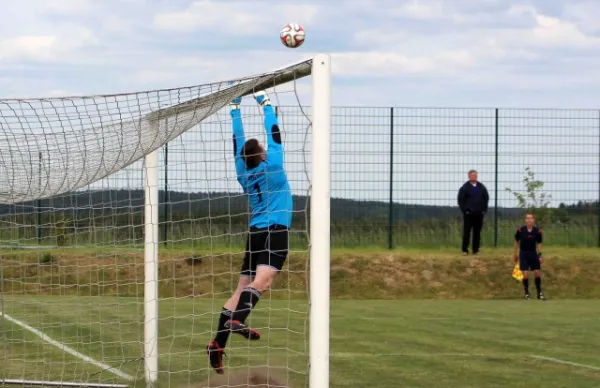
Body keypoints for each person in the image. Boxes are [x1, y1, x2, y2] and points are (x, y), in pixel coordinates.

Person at [206, 89, 293, 374]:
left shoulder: (241, 172)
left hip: (255, 233)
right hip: (275, 230)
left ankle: (218, 344)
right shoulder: (275, 166)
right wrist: (265, 104)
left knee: (242, 288)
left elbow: (237, 141)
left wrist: (235, 109)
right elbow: (275, 131)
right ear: (263, 154)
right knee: (263, 281)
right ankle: (238, 320)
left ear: (244, 158)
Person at [513, 213, 546, 300]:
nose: (529, 220)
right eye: (527, 218)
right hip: (523, 253)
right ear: (525, 220)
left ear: (533, 220)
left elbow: (539, 243)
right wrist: (515, 253)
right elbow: (516, 241)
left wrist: (540, 255)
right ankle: (527, 294)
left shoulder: (537, 231)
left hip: (533, 253)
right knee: (526, 274)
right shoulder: (520, 230)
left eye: (531, 218)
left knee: (537, 272)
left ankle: (539, 294)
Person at [457, 170, 489, 255]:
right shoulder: (464, 188)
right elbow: (461, 200)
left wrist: (484, 210)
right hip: (469, 214)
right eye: (472, 175)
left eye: (475, 175)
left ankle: (476, 250)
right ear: (469, 177)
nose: (474, 177)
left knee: (477, 232)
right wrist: (465, 210)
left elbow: (486, 198)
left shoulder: (481, 187)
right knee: (467, 231)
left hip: (479, 213)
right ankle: (465, 250)